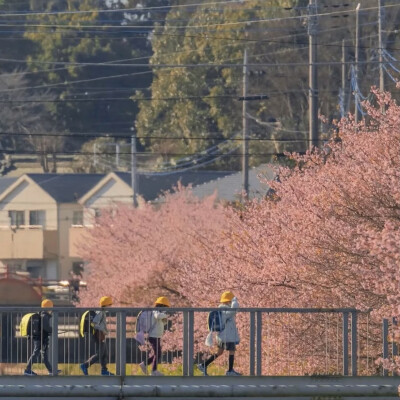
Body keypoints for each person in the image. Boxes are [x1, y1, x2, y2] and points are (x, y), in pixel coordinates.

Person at [197, 291, 242, 376]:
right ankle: (230, 370)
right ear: (229, 301)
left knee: (219, 352)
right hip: (227, 336)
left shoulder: (221, 310)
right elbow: (234, 311)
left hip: (222, 336)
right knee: (232, 351)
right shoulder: (225, 310)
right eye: (231, 301)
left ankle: (204, 365)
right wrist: (235, 302)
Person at [24, 299, 61, 376]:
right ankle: (27, 370)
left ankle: (51, 370)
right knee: (36, 353)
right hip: (40, 338)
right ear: (48, 308)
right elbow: (46, 327)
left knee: (44, 354)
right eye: (51, 307)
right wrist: (53, 330)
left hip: (40, 338)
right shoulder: (45, 315)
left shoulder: (41, 314)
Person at [80, 296, 114, 376]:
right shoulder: (100, 312)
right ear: (106, 305)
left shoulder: (102, 312)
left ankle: (104, 370)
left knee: (104, 353)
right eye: (110, 304)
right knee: (100, 353)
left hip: (101, 334)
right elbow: (94, 323)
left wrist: (105, 330)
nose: (111, 306)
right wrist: (102, 330)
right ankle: (85, 365)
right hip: (99, 335)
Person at [139, 296, 170, 376]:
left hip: (157, 335)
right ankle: (153, 370)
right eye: (165, 307)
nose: (166, 309)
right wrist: (164, 315)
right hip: (153, 336)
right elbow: (158, 316)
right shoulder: (155, 311)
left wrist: (164, 320)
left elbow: (160, 322)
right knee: (158, 353)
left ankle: (145, 364)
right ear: (162, 305)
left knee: (158, 353)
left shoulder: (158, 312)